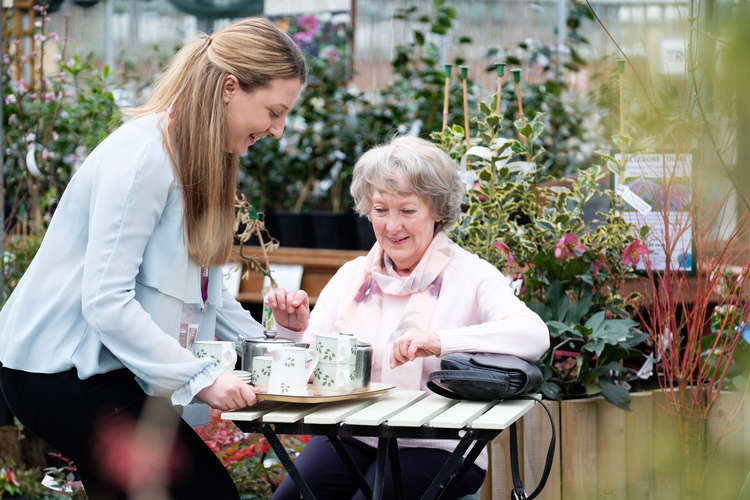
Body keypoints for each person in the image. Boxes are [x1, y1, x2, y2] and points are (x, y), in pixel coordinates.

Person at [0, 18, 305, 500]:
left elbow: (209, 292)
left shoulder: (201, 158)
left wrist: (272, 348)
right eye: (274, 111)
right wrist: (201, 378)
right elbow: (105, 302)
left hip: (107, 369)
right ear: (230, 88)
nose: (277, 129)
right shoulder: (145, 157)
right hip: (59, 371)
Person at [266, 136, 550, 500]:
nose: (392, 226)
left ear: (438, 210)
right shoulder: (353, 275)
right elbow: (309, 360)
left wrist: (441, 341)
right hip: (351, 431)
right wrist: (292, 330)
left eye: (408, 211)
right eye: (381, 210)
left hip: (440, 444)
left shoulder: (471, 274)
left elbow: (533, 335)